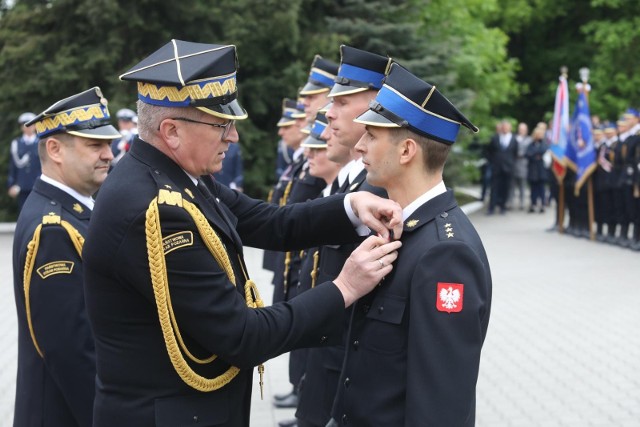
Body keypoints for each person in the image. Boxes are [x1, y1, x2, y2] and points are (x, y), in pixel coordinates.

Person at [82, 39, 403, 427]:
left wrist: (350, 205)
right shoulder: (155, 209)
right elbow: (244, 336)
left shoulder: (179, 178)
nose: (232, 138)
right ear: (171, 131)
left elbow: (271, 223)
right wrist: (346, 288)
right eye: (221, 125)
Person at [327, 62, 492, 427]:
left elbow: (440, 402)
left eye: (371, 135)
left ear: (406, 151)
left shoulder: (446, 253)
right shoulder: (399, 227)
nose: (358, 145)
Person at [11, 87, 120, 427]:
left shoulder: (70, 211)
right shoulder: (53, 230)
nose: (109, 155)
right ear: (55, 150)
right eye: (95, 145)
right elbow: (71, 352)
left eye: (109, 144)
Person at [295, 45, 391, 427]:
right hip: (324, 358)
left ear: (376, 105)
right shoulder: (353, 187)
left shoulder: (381, 192)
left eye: (343, 100)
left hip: (343, 368)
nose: (328, 112)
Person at [7, 112, 40, 212]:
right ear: (21, 127)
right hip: (22, 187)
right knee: (24, 213)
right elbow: (13, 166)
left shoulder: (41, 142)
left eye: (31, 124)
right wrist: (11, 184)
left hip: (38, 185)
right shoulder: (16, 143)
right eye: (25, 125)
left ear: (35, 126)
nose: (28, 127)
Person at [487, 119, 517, 215]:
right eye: (503, 127)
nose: (504, 129)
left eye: (506, 127)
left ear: (510, 128)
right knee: (494, 188)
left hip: (508, 168)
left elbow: (515, 153)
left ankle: (502, 207)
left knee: (505, 188)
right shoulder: (495, 138)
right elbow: (489, 151)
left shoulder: (513, 139)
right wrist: (493, 162)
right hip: (496, 167)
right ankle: (491, 207)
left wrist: (511, 163)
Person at [526, 126, 548, 213]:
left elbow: (543, 151)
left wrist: (536, 154)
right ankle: (533, 204)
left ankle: (542, 204)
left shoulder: (544, 144)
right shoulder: (531, 144)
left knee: (541, 188)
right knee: (533, 188)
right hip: (533, 169)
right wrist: (536, 154)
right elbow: (528, 154)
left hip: (541, 169)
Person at [513, 122, 532, 210]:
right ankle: (510, 202)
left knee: (522, 185)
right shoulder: (514, 138)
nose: (522, 131)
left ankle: (522, 203)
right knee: (512, 185)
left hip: (524, 165)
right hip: (514, 164)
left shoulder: (529, 140)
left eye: (523, 129)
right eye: (520, 129)